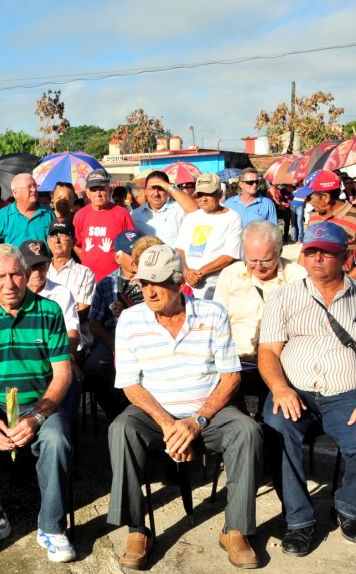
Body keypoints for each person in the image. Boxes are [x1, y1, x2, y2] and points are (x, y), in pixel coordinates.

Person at [108, 244, 262, 570]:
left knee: (247, 431)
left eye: (158, 283)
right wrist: (168, 424)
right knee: (121, 429)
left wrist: (196, 421)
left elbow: (231, 377)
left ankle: (235, 529)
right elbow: (130, 384)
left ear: (179, 283)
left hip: (207, 411)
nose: (149, 291)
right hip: (154, 414)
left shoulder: (212, 313)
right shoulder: (131, 321)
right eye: (144, 283)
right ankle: (137, 530)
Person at [258, 221, 356, 556]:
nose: (318, 258)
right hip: (295, 391)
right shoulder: (283, 297)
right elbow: (268, 352)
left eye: (327, 252)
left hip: (348, 395)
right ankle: (299, 522)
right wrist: (279, 388)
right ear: (303, 256)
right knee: (277, 431)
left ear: (345, 256)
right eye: (311, 251)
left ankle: (349, 506)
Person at [0, 244, 75, 563]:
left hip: (39, 403)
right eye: (1, 276)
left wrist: (35, 417)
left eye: (17, 274)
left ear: (27, 274)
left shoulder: (49, 312)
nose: (10, 284)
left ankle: (51, 526)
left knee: (57, 439)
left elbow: (62, 374)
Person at [212, 221, 307, 414]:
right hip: (237, 362)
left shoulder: (297, 277)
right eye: (251, 260)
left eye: (265, 261)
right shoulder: (230, 274)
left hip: (282, 364)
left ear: (279, 252)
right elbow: (216, 323)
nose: (258, 267)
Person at [84, 232, 160, 421]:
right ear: (117, 257)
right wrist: (113, 345)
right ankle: (114, 413)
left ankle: (144, 412)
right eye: (130, 252)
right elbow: (94, 322)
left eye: (139, 253)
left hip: (148, 335)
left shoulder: (153, 282)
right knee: (94, 367)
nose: (136, 258)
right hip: (113, 335)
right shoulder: (107, 283)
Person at [174, 173, 242, 300]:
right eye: (200, 194)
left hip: (215, 288)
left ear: (219, 194)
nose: (203, 199)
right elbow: (180, 250)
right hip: (188, 286)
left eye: (208, 194)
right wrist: (187, 271)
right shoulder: (191, 217)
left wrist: (199, 273)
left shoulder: (232, 218)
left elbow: (229, 256)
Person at [297, 170, 356, 279]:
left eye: (309, 197)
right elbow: (304, 252)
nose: (307, 201)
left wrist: (341, 288)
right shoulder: (314, 216)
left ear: (325, 197)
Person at [73, 168, 136, 281]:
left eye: (102, 189)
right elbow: (75, 244)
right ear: (87, 193)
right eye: (93, 189)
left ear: (110, 191)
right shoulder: (80, 215)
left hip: (116, 279)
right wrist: (87, 259)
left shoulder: (122, 214)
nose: (98, 194)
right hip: (88, 279)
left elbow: (133, 247)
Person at [20, 240, 81, 354]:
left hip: (55, 353)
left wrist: (67, 359)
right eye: (32, 267)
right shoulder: (14, 294)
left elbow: (72, 330)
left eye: (42, 266)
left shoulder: (62, 293)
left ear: (48, 266)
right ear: (22, 268)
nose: (37, 272)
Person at [130, 171, 199, 246]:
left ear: (167, 191)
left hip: (175, 257)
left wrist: (168, 186)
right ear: (145, 191)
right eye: (152, 188)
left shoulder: (178, 209)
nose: (156, 193)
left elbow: (195, 210)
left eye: (160, 188)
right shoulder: (135, 215)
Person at [46, 218, 95, 318]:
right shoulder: (41, 271)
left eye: (63, 235)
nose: (57, 240)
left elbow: (82, 312)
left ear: (73, 242)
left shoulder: (85, 273)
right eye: (53, 235)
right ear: (48, 241)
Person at [0, 174, 55, 248]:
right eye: (29, 187)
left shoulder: (48, 213)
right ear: (15, 193)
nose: (34, 190)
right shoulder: (3, 216)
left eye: (35, 186)